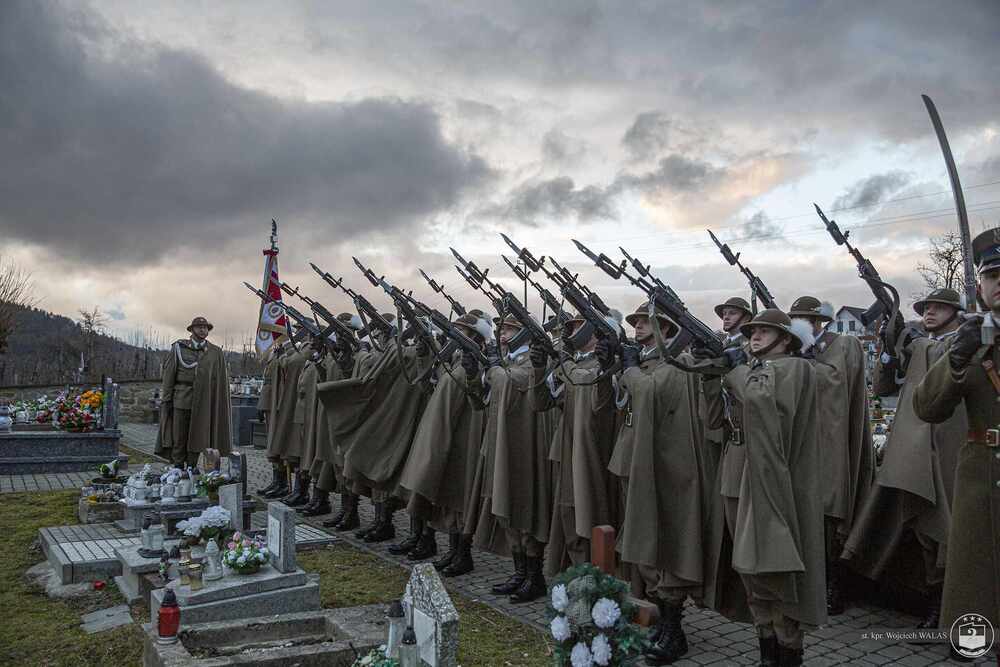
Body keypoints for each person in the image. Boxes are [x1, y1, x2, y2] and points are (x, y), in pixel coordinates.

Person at [841, 288, 966, 628]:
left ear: (956, 313)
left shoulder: (961, 343)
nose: (929, 312)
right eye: (926, 307)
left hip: (948, 442)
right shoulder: (921, 344)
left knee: (943, 524)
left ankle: (944, 602)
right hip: (912, 446)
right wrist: (890, 345)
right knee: (913, 521)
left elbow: (945, 365)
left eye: (939, 308)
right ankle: (925, 595)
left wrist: (912, 343)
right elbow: (884, 387)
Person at [608, 302, 706, 665]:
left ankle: (674, 631)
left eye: (646, 323)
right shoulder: (649, 361)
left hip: (666, 464)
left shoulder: (676, 363)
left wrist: (630, 369)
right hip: (636, 458)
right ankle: (661, 623)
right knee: (645, 541)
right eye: (635, 322)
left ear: (666, 329)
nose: (637, 327)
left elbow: (650, 394)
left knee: (665, 543)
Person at [914, 228, 1000, 637]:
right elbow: (927, 407)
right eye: (993, 276)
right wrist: (958, 356)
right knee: (978, 579)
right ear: (980, 287)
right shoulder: (972, 341)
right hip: (982, 474)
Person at [732, 308, 825, 667]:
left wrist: (734, 371)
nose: (754, 336)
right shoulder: (759, 370)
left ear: (786, 339)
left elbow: (761, 401)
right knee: (755, 571)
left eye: (764, 332)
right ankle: (767, 652)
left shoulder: (795, 369)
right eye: (751, 332)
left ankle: (788, 653)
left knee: (781, 572)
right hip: (756, 480)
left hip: (785, 485)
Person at [787, 295, 875, 614]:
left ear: (816, 322)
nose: (796, 325)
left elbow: (838, 384)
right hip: (802, 443)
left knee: (831, 509)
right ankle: (809, 579)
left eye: (801, 319)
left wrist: (805, 364)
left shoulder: (843, 344)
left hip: (832, 440)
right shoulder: (795, 349)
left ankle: (835, 582)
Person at [466, 315, 557, 601]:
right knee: (506, 512)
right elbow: (480, 400)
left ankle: (534, 576)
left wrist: (492, 368)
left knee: (525, 510)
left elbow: (511, 383)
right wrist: (473, 374)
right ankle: (519, 573)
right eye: (501, 328)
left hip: (524, 447)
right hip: (500, 443)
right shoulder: (508, 361)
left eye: (509, 329)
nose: (502, 333)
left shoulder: (531, 361)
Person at [396, 311, 491, 573]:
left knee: (460, 499)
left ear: (475, 337)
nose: (456, 335)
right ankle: (452, 550)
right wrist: (425, 355)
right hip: (447, 434)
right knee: (449, 497)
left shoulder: (476, 364)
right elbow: (428, 385)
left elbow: (477, 399)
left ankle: (463, 554)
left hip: (465, 437)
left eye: (463, 331)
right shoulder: (454, 360)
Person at [531, 311, 620, 577]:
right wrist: (539, 368)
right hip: (569, 451)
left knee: (591, 517)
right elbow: (541, 403)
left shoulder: (604, 365)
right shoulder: (572, 363)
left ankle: (593, 582)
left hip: (594, 455)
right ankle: (576, 580)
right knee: (569, 516)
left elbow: (600, 406)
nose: (571, 331)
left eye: (579, 326)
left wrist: (568, 362)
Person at [157, 316, 231, 467]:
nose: (203, 330)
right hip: (182, 398)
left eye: (205, 328)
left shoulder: (215, 352)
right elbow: (169, 376)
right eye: (199, 327)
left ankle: (192, 467)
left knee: (198, 436)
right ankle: (178, 467)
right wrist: (166, 399)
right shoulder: (179, 348)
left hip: (204, 401)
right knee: (179, 435)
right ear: (192, 330)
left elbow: (219, 380)